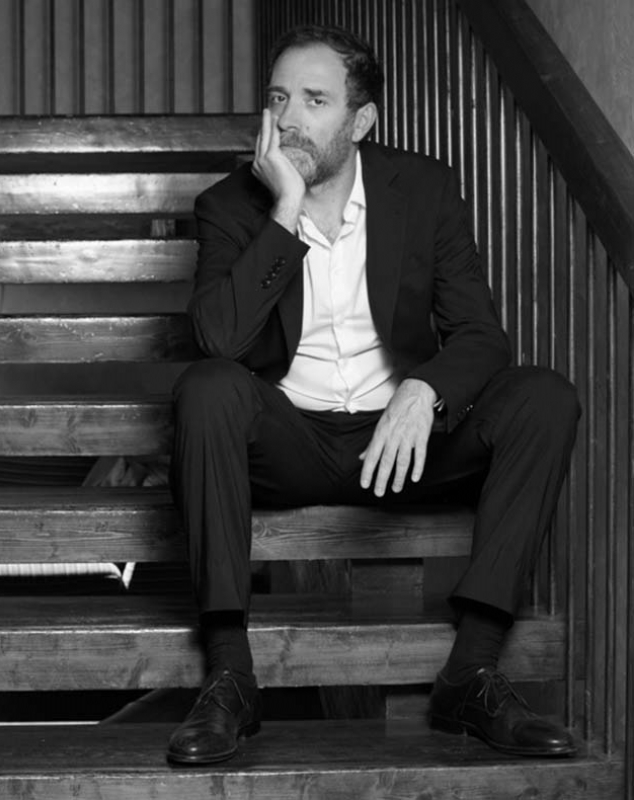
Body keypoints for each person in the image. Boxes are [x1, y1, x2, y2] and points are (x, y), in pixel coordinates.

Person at [166, 24, 580, 765]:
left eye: (314, 100)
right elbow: (218, 342)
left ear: (361, 121)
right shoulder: (229, 206)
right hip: (291, 442)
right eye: (277, 98)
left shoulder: (423, 190)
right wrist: (285, 210)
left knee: (543, 398)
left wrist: (425, 389)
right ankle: (230, 677)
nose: (289, 119)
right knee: (206, 388)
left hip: (403, 443)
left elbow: (481, 336)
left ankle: (473, 672)